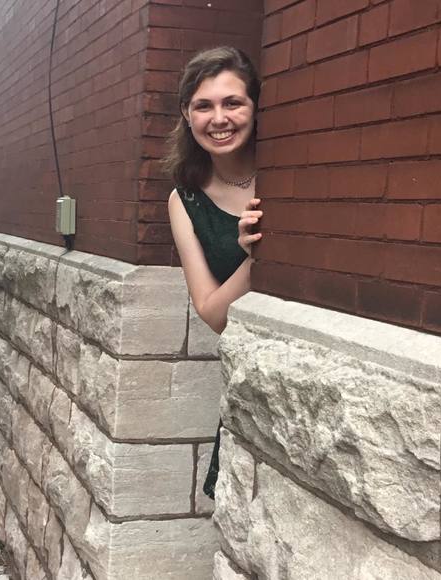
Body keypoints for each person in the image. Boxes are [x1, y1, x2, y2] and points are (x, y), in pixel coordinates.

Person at [164, 46, 263, 499]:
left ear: (254, 107)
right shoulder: (185, 200)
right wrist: (253, 260)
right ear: (187, 115)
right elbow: (212, 313)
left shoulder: (289, 174)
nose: (219, 118)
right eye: (203, 106)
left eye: (232, 103)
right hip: (248, 380)